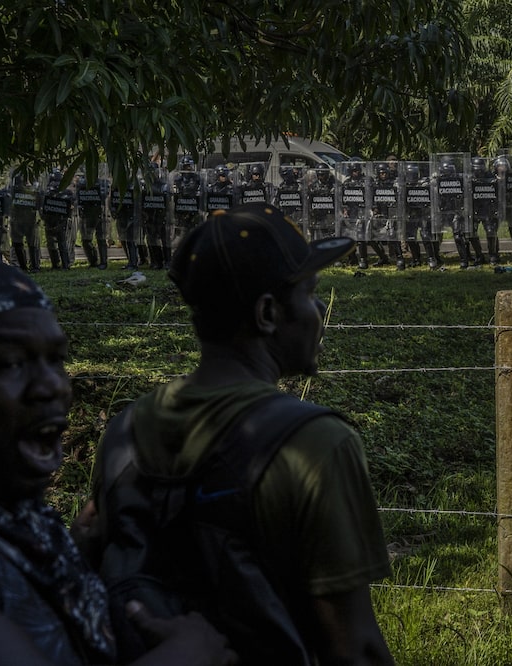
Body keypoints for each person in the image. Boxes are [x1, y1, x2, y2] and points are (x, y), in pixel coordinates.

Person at [93, 203, 395, 665]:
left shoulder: (124, 431)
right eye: (310, 294)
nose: (318, 312)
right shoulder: (313, 444)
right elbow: (355, 650)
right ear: (268, 313)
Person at [0, 261, 237, 666]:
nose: (52, 385)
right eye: (10, 363)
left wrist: (77, 550)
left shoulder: (25, 520)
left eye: (57, 359)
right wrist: (187, 655)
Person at [75, 173, 111, 269]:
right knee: (86, 240)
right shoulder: (81, 183)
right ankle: (93, 261)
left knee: (101, 239)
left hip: (100, 213)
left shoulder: (102, 183)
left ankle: (103, 262)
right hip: (86, 214)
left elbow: (104, 196)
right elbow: (77, 198)